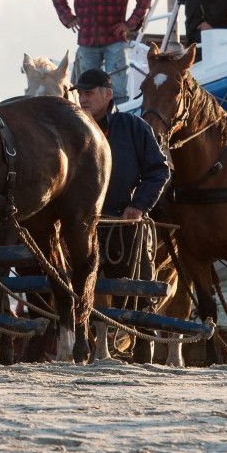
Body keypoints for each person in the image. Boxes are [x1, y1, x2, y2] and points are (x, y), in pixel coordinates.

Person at [76, 68, 169, 362]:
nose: (83, 99)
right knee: (77, 286)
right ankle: (86, 347)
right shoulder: (73, 128)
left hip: (124, 224)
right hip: (82, 225)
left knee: (138, 286)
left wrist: (139, 205)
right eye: (80, 93)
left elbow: (158, 170)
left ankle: (143, 352)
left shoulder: (133, 127)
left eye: (89, 93)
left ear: (108, 93)